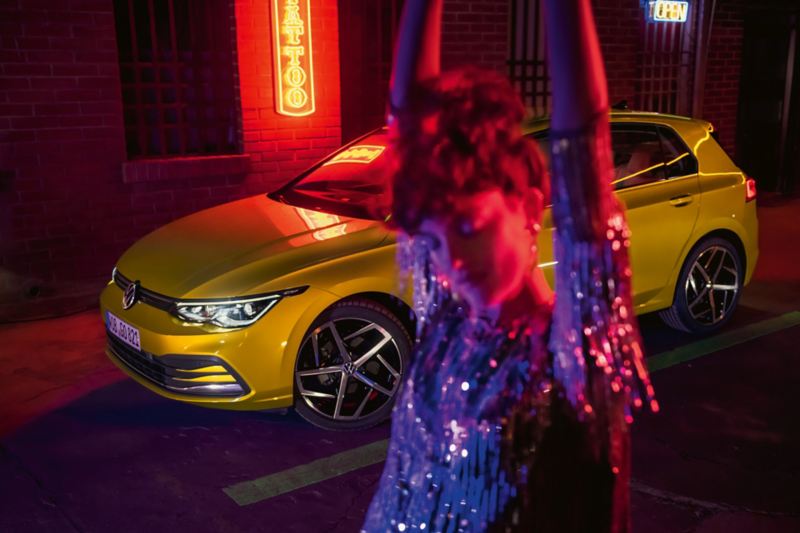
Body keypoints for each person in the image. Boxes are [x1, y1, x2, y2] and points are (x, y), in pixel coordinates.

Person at [362, 0, 657, 531]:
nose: (449, 259)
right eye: (432, 241)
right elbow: (407, 123)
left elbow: (583, 147)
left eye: (470, 228)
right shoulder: (447, 325)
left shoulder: (572, 355)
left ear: (526, 207)